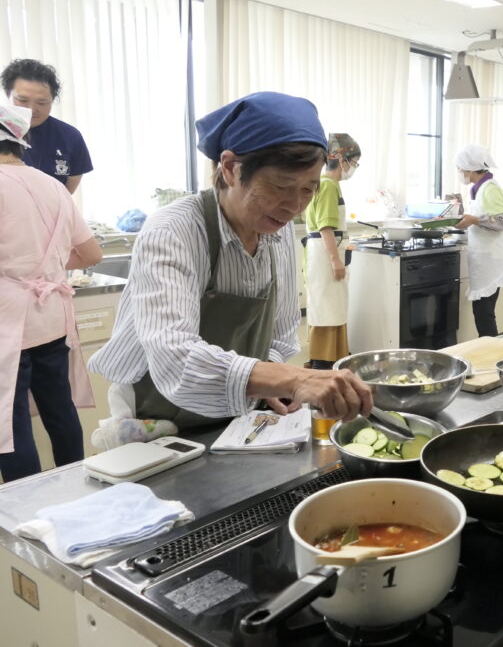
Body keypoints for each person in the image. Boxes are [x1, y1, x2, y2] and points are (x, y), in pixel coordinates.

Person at [89, 92, 372, 426]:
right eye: (282, 185)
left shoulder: (276, 231)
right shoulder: (174, 231)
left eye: (308, 190)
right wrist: (294, 379)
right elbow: (175, 359)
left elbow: (281, 332)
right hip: (159, 419)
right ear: (230, 168)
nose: (295, 206)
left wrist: (270, 380)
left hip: (236, 417)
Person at [0, 104, 102, 481]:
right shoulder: (52, 186)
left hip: (8, 322)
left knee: (8, 423)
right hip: (51, 318)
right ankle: (75, 489)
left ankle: (26, 512)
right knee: (60, 410)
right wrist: (47, 269)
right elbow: (91, 253)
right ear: (21, 140)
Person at [304, 133, 360, 369]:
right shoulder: (327, 186)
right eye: (355, 162)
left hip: (324, 255)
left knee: (332, 310)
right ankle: (324, 367)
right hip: (325, 258)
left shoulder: (327, 184)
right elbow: (326, 226)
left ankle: (335, 362)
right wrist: (336, 260)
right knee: (327, 312)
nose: (354, 167)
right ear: (343, 160)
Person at [1, 59, 93, 194]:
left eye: (42, 102)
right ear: (7, 94)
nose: (32, 109)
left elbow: (69, 188)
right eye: (22, 100)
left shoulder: (70, 136)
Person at [454, 145, 503, 337]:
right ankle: (490, 352)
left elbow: (502, 221)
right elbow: (483, 217)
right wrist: (467, 220)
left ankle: (491, 356)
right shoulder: (479, 188)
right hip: (485, 260)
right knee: (483, 314)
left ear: (470, 168)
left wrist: (475, 220)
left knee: (484, 315)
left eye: (460, 169)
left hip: (491, 262)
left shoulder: (490, 188)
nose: (459, 173)